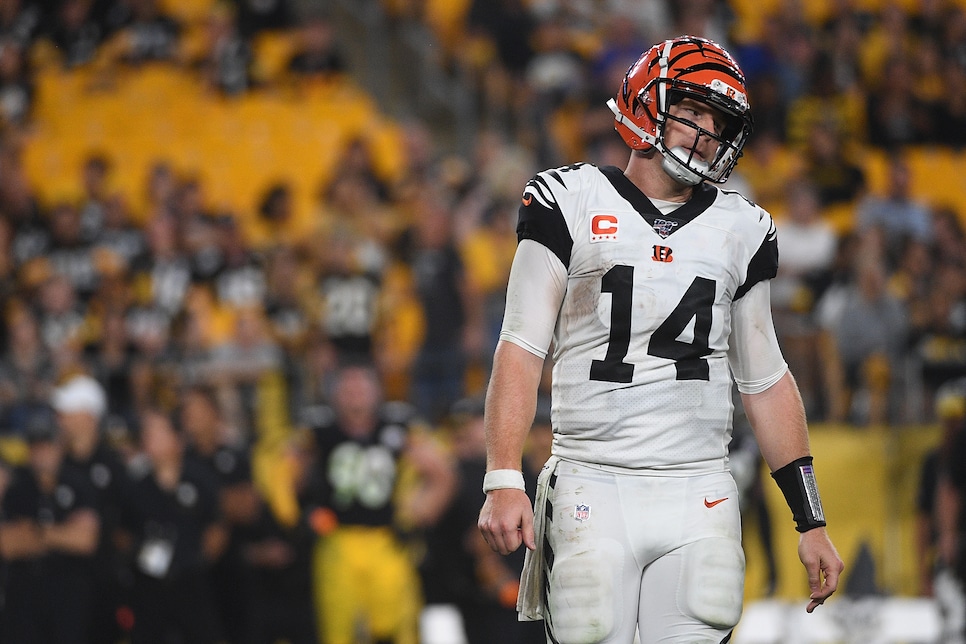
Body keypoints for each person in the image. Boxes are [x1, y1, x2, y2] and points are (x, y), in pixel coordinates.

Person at [477, 35, 844, 644]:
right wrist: (502, 477)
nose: (705, 133)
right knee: (591, 626)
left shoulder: (742, 228)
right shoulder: (569, 200)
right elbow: (519, 346)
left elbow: (765, 379)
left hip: (697, 486)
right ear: (647, 102)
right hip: (593, 477)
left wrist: (811, 520)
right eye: (694, 112)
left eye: (719, 122)